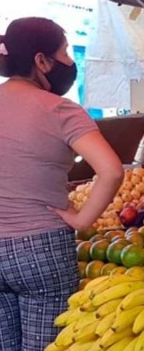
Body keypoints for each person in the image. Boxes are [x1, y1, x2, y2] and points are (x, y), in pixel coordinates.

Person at [0, 18, 123, 351]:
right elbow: (111, 171)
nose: (69, 61)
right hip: (41, 249)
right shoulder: (60, 109)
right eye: (65, 52)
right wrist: (82, 220)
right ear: (42, 61)